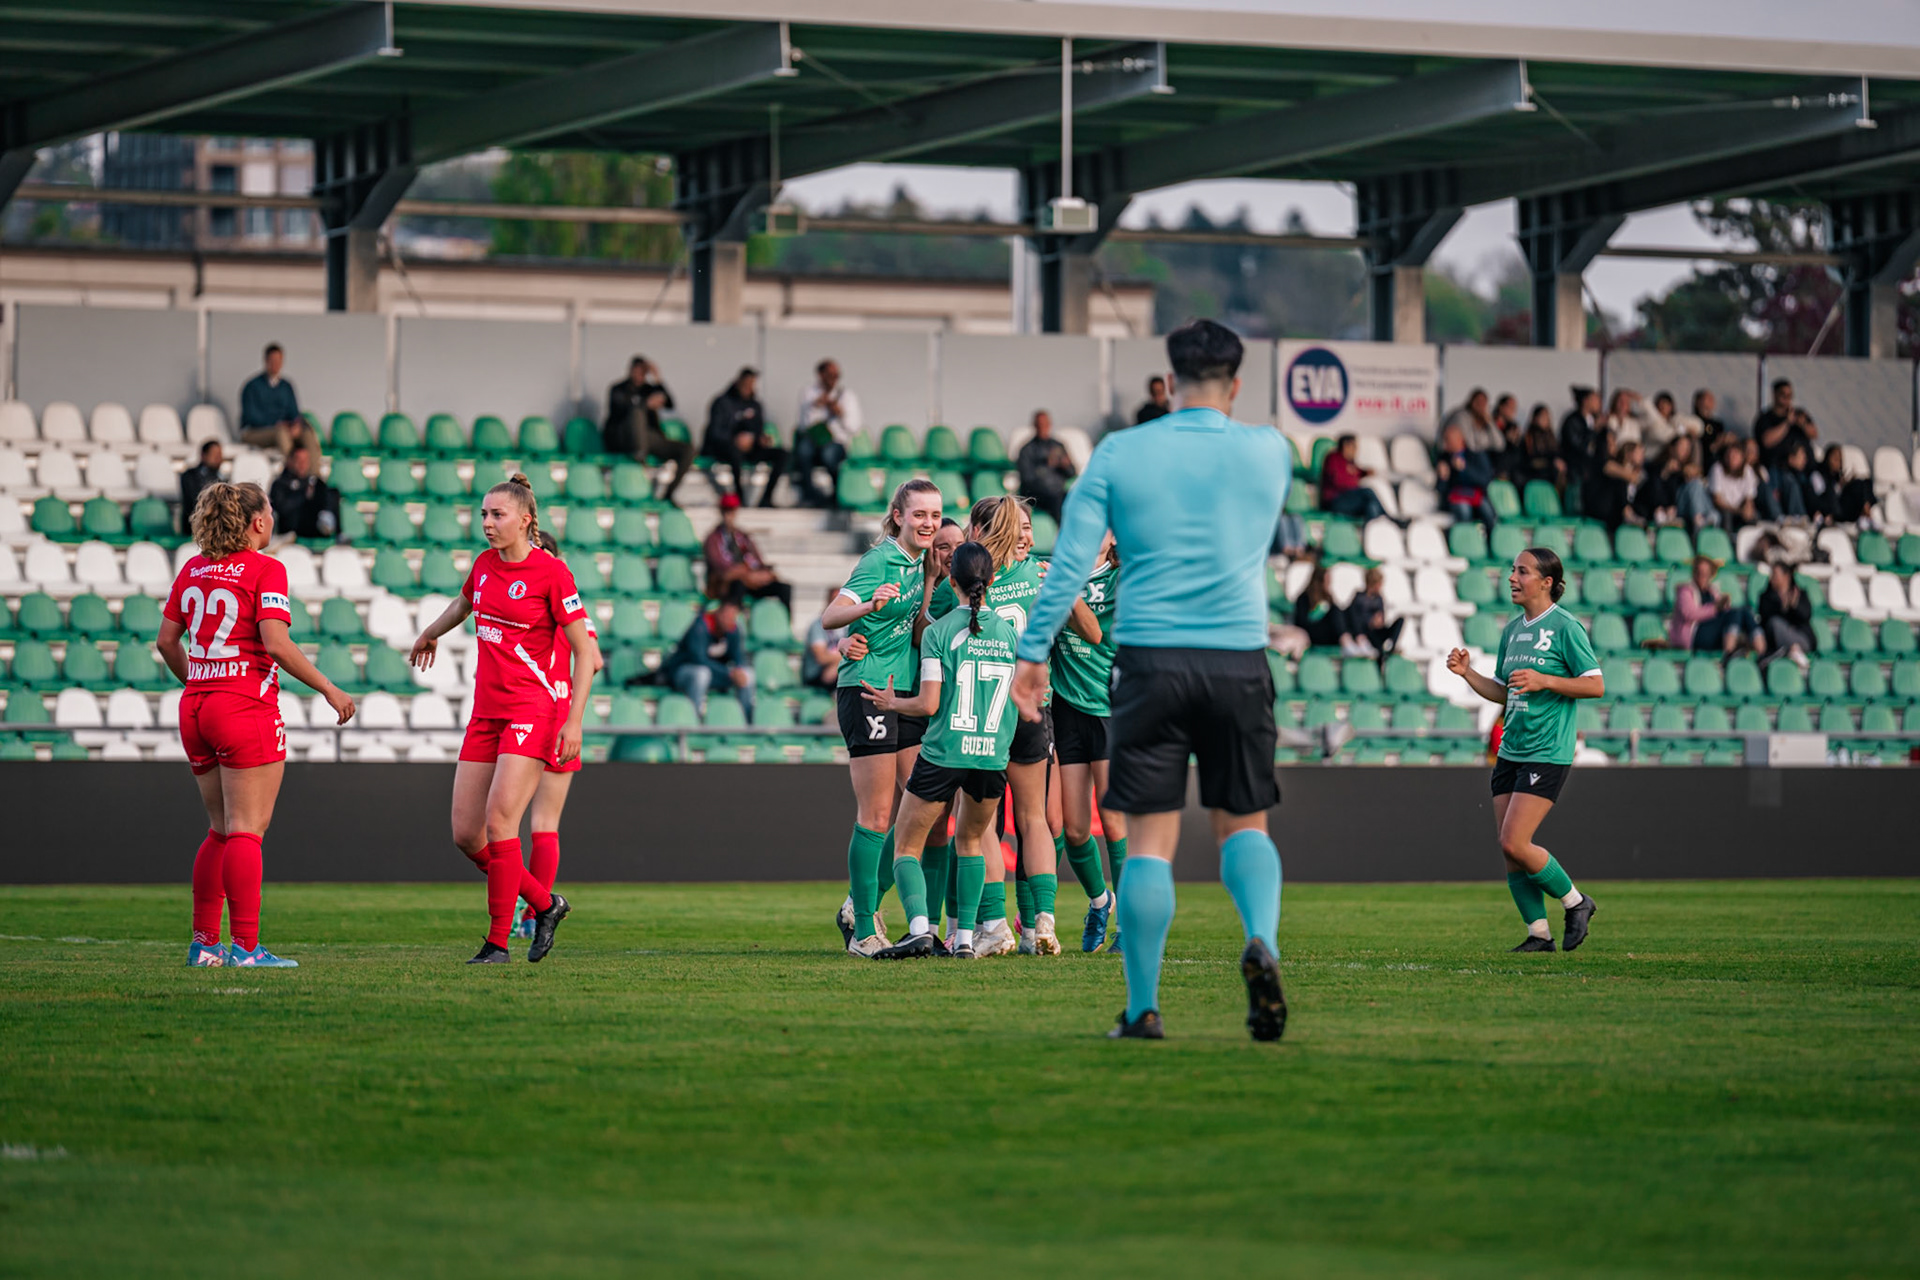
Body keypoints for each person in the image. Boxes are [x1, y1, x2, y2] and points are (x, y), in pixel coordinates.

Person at [1011, 317, 1289, 1043]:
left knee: (1146, 844)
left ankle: (1142, 1009)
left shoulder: (1119, 453)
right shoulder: (1270, 452)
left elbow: (1069, 563)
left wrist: (1033, 653)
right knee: (1243, 826)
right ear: (1234, 384)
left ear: (1166, 384)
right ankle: (1261, 941)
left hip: (1149, 662)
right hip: (1237, 656)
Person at [156, 481, 356, 968]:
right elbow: (276, 643)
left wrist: (199, 682)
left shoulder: (193, 569)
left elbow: (166, 642)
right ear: (258, 522)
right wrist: (330, 688)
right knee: (246, 831)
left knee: (220, 830)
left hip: (197, 706)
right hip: (244, 706)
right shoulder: (266, 568)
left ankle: (205, 945)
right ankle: (246, 948)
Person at [409, 473, 594, 965]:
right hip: (486, 712)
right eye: (484, 514)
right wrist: (431, 632)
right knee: (465, 834)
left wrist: (573, 721)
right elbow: (464, 603)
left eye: (498, 515)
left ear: (526, 520)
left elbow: (584, 650)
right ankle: (545, 903)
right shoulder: (484, 565)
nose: (487, 523)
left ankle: (496, 943)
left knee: (500, 824)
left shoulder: (552, 572)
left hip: (533, 712)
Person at [856, 541, 1018, 959]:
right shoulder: (1011, 634)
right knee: (971, 843)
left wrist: (892, 703)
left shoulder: (939, 632)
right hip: (991, 757)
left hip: (944, 753)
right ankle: (965, 940)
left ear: (951, 579)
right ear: (993, 580)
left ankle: (919, 930)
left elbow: (928, 704)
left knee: (906, 846)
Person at [1444, 547, 1602, 953]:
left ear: (1547, 582)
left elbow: (1594, 684)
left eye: (1522, 571)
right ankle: (1539, 935)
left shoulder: (1566, 627)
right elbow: (1503, 691)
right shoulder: (1512, 630)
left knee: (1516, 841)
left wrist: (1546, 680)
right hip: (1511, 748)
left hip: (1546, 750)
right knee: (1509, 850)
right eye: (1513, 570)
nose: (1512, 577)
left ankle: (1576, 901)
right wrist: (1468, 675)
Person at [822, 478, 942, 956]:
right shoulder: (879, 561)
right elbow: (832, 615)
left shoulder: (920, 562)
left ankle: (859, 901)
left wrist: (931, 580)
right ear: (898, 516)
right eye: (919, 515)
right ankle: (864, 931)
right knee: (876, 814)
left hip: (903, 693)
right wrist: (864, 609)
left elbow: (913, 627)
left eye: (935, 515)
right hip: (868, 690)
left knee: (922, 808)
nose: (929, 523)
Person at [516, 529, 605, 940]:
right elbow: (596, 658)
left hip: (529, 708)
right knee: (545, 825)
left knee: (500, 827)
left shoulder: (526, 597)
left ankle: (527, 910)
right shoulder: (572, 605)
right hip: (562, 711)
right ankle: (535, 914)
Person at [1050, 533, 1125, 954]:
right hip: (1066, 708)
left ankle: (1129, 925)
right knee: (1076, 830)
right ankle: (1100, 902)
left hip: (1110, 708)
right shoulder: (1050, 572)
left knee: (1114, 822)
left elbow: (1098, 635)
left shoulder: (1120, 578)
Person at [604, 356, 694, 502]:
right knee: (637, 413)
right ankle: (640, 459)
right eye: (637, 371)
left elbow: (670, 404)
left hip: (649, 438)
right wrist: (645, 405)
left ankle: (669, 493)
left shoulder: (649, 389)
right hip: (624, 439)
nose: (639, 375)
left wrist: (658, 379)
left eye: (643, 372)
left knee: (687, 450)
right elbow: (620, 410)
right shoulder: (618, 389)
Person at [663, 588, 754, 721]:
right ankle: (694, 719)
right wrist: (729, 673)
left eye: (733, 616)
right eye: (727, 615)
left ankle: (747, 721)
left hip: (716, 674)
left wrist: (738, 670)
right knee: (701, 674)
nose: (730, 620)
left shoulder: (733, 629)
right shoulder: (700, 627)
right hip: (684, 672)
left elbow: (738, 656)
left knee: (748, 674)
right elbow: (699, 659)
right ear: (719, 612)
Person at [702, 367, 787, 507]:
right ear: (738, 382)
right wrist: (735, 440)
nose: (749, 387)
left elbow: (757, 429)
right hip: (724, 449)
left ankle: (766, 498)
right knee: (734, 453)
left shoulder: (755, 405)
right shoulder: (722, 403)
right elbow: (714, 432)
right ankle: (739, 499)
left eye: (752, 384)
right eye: (746, 383)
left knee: (782, 454)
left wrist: (760, 439)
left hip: (750, 449)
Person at [703, 493, 792, 614]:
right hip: (728, 584)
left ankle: (786, 624)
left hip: (750, 581)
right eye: (726, 510)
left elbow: (757, 560)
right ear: (721, 512)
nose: (729, 515)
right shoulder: (713, 539)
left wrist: (764, 573)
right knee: (738, 585)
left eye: (732, 511)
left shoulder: (742, 536)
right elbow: (722, 570)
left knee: (784, 588)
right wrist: (746, 574)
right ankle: (733, 625)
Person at [792, 359, 863, 507]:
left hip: (836, 442)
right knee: (803, 450)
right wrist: (816, 406)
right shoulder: (808, 393)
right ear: (820, 375)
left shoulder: (847, 396)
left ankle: (837, 494)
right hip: (814, 441)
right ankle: (809, 494)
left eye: (835, 375)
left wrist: (840, 413)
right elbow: (803, 425)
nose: (833, 379)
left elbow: (854, 427)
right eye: (829, 375)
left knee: (829, 454)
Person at [1669, 555, 1764, 656]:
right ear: (1694, 573)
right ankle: (1729, 652)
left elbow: (1722, 611)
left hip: (1712, 631)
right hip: (1695, 634)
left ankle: (1761, 652)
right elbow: (1690, 614)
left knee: (1744, 612)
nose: (1702, 576)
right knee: (1734, 614)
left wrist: (1724, 604)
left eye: (1706, 573)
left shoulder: (1712, 591)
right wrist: (1715, 608)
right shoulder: (1685, 591)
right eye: (1699, 572)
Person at [237, 342, 315, 454]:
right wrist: (276, 423)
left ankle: (313, 471)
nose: (276, 364)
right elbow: (251, 417)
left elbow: (294, 412)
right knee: (281, 433)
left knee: (306, 434)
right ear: (266, 361)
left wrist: (295, 426)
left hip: (283, 428)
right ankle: (290, 468)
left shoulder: (286, 386)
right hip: (255, 431)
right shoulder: (252, 386)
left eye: (279, 360)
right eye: (272, 360)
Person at [1016, 410, 1078, 524]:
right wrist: (1047, 465)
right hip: (1037, 495)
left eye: (1046, 424)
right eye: (1040, 425)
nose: (1043, 428)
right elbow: (1027, 479)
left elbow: (1072, 472)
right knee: (1056, 501)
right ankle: (1061, 534)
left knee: (1076, 498)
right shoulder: (1027, 450)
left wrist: (1065, 465)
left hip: (1058, 491)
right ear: (1035, 426)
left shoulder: (1058, 446)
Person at [268, 445, 342, 541]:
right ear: (291, 461)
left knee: (332, 493)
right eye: (299, 460)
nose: (303, 464)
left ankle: (337, 535)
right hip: (291, 533)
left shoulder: (315, 483)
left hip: (315, 531)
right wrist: (303, 494)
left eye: (306, 460)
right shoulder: (280, 484)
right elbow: (282, 508)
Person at [1435, 421, 1496, 529]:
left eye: (1449, 440)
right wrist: (1443, 477)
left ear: (1460, 439)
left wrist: (1464, 469)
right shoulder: (1444, 459)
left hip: (1475, 495)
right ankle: (1466, 540)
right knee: (1463, 509)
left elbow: (1484, 480)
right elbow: (1441, 490)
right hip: (1456, 497)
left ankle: (1491, 542)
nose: (1446, 444)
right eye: (1445, 440)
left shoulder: (1475, 455)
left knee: (1487, 511)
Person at [1756, 562, 1816, 671]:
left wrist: (1794, 606)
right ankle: (1793, 651)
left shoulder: (1799, 594)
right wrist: (1782, 608)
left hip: (1801, 637)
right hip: (1777, 639)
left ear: (1786, 576)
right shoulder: (1766, 596)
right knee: (1775, 623)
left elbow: (1806, 616)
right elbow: (1765, 618)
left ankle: (1794, 650)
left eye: (1775, 574)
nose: (1772, 578)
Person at [1318, 433, 1388, 522]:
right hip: (1334, 501)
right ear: (1345, 446)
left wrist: (1365, 473)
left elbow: (1356, 473)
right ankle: (1387, 518)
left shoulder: (1350, 462)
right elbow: (1339, 481)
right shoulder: (1333, 458)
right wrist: (1355, 485)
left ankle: (1374, 531)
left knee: (1370, 506)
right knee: (1368, 492)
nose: (1356, 450)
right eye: (1353, 446)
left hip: (1348, 500)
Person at [1754, 378, 1818, 472]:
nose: (1787, 398)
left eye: (1790, 395)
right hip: (1779, 469)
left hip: (1805, 469)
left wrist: (1803, 424)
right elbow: (1767, 440)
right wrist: (1787, 423)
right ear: (1775, 394)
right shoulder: (1765, 418)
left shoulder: (1799, 414)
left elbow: (1814, 434)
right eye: (1783, 394)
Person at [1343, 567, 1403, 661]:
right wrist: (1370, 621)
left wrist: (1379, 621)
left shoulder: (1379, 599)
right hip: (1366, 633)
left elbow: (1381, 617)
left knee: (1400, 620)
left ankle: (1391, 646)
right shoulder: (1359, 598)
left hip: (1377, 630)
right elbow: (1354, 619)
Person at [1559, 385, 1603, 512]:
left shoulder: (1592, 420)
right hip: (1576, 471)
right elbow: (1577, 447)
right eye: (1595, 399)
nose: (1598, 403)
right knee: (1575, 507)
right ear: (1585, 400)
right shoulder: (1572, 420)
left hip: (1591, 473)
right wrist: (1593, 432)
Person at [1506, 404, 1567, 492]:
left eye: (1547, 416)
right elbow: (1530, 458)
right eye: (1542, 416)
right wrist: (1551, 461)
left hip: (1548, 473)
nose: (1545, 419)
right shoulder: (1528, 438)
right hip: (1533, 472)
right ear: (1535, 418)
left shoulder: (1551, 437)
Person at [1291, 562, 1351, 649]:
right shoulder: (1304, 598)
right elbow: (1302, 623)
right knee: (1335, 611)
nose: (1329, 584)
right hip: (1312, 634)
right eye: (1327, 581)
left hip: (1329, 635)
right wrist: (1317, 613)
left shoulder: (1328, 597)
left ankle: (1348, 640)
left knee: (1341, 611)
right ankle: (1346, 641)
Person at [1708, 440, 1761, 530]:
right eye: (1729, 455)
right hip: (1722, 509)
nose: (1731, 458)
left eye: (1735, 455)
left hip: (1739, 508)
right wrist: (1737, 511)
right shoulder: (1717, 469)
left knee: (1755, 516)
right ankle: (1727, 542)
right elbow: (1717, 500)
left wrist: (1748, 510)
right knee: (1726, 516)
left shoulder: (1748, 471)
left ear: (1742, 457)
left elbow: (1749, 499)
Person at [802, 588, 848, 690]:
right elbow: (821, 657)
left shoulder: (849, 625)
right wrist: (844, 657)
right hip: (816, 674)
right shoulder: (818, 625)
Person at [179, 440, 223, 536]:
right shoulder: (189, 476)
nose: (218, 458)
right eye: (215, 455)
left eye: (220, 455)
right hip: (193, 527)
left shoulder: (220, 480)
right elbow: (192, 502)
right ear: (204, 455)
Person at [1439, 388, 1503, 454]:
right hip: (1456, 454)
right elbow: (1470, 445)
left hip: (1478, 454)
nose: (1481, 406)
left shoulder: (1485, 420)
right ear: (1472, 402)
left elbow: (1499, 444)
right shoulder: (1461, 416)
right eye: (1478, 402)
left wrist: (1490, 423)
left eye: (1484, 403)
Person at [1692, 389, 1728, 455]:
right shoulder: (1693, 422)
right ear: (1698, 402)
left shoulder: (1718, 424)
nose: (1711, 401)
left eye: (1712, 399)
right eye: (1708, 399)